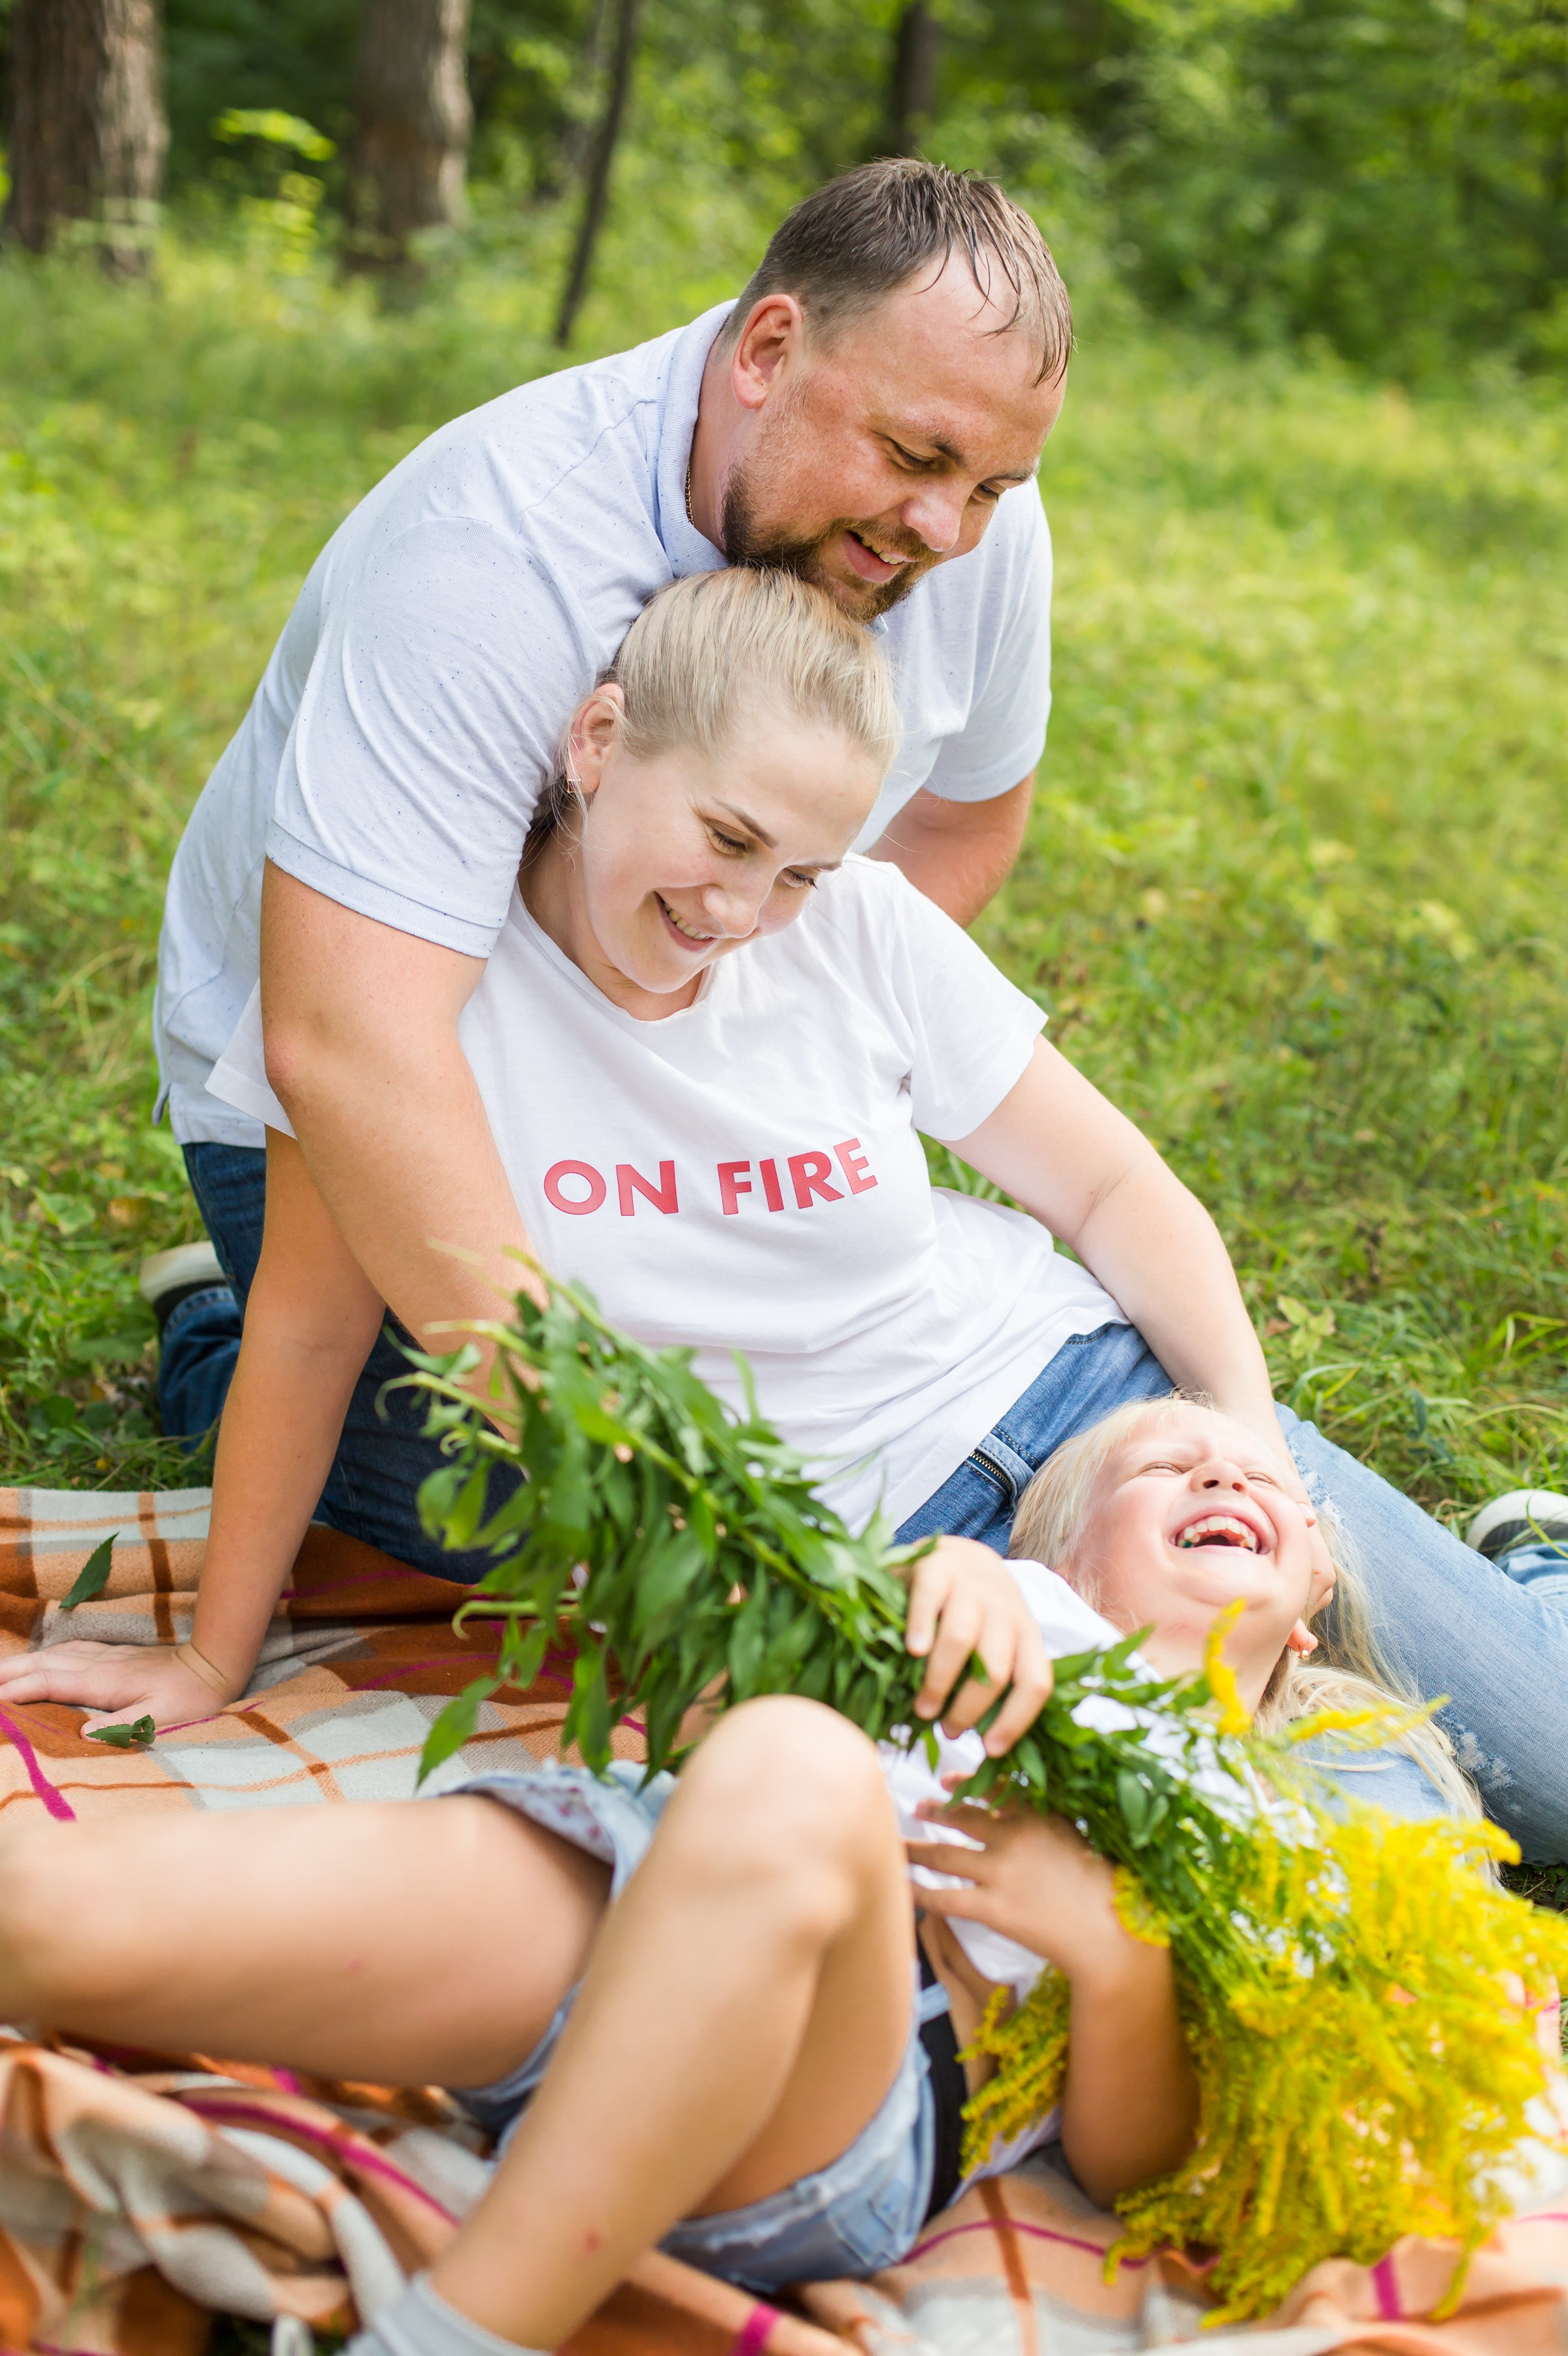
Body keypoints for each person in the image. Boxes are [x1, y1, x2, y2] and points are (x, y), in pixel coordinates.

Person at [11, 564, 1542, 1845]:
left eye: (800, 871)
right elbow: (315, 1334)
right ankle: (189, 1318)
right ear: (599, 739)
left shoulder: (858, 931)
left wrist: (1243, 1444)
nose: (741, 919)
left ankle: (1525, 1568)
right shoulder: (416, 992)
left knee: (1527, 1780)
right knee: (1239, 1855)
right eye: (727, 840)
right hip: (845, 1570)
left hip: (1096, 1414)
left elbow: (1111, 1184)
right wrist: (217, 1654)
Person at [0, 1397, 1470, 2356]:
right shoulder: (995, 1613)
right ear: (1062, 1553)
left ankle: (456, 2333)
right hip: (624, 1886)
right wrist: (914, 1586)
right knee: (51, 1909)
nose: (1217, 1469)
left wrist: (1114, 1956)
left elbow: (1142, 2170)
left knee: (802, 1769)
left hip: (858, 2075)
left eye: (1256, 1475)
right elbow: (696, 1709)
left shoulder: (1278, 1819)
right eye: (1161, 1461)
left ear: (1311, 1600)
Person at [145, 155, 1071, 1503]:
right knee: (533, 1513)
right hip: (350, 1078)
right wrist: (612, 1475)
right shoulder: (488, 556)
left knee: (800, 1418)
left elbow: (962, 819)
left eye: (990, 484)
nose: (944, 526)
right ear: (765, 350)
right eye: (913, 457)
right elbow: (347, 1047)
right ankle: (217, 1340)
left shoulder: (959, 525)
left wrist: (754, 1060)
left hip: (661, 1066)